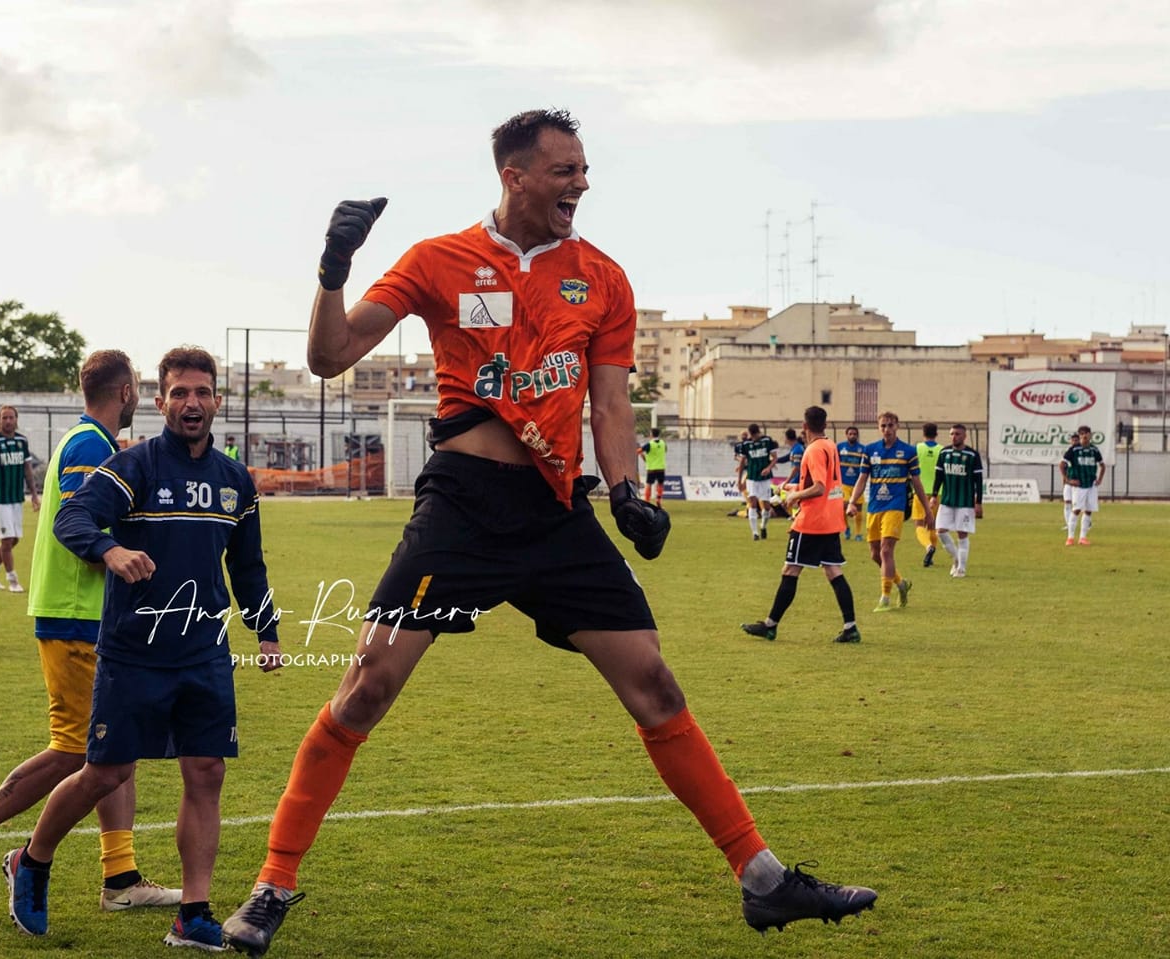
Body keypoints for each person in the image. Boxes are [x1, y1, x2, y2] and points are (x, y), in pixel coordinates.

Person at [218, 108, 875, 959]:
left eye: (584, 169)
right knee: (366, 687)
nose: (582, 184)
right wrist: (333, 267)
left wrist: (630, 490)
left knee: (657, 687)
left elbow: (607, 402)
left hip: (556, 509)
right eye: (565, 170)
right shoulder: (436, 260)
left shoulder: (603, 278)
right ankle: (272, 882)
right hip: (460, 505)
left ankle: (762, 880)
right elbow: (330, 354)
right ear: (514, 176)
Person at [4, 347, 283, 951]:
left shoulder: (236, 480)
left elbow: (249, 565)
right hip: (134, 650)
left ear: (216, 400)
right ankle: (33, 858)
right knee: (105, 771)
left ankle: (193, 913)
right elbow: (71, 519)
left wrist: (266, 630)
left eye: (202, 392)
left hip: (204, 653)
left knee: (206, 772)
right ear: (159, 401)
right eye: (179, 392)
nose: (192, 403)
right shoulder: (131, 466)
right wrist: (110, 550)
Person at [0, 350, 180, 922]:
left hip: (92, 619)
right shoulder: (90, 445)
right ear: (125, 391)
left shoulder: (91, 442)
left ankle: (121, 876)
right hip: (75, 618)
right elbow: (84, 529)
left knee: (118, 749)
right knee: (75, 752)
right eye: (139, 388)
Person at [741, 407, 860, 644]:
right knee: (833, 570)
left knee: (790, 570)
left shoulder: (813, 450)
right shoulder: (831, 446)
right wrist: (792, 488)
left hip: (812, 522)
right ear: (825, 425)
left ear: (804, 427)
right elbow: (826, 483)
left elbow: (818, 487)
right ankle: (851, 627)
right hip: (831, 518)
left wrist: (795, 497)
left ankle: (770, 626)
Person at [847, 411, 929, 613]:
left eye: (890, 425)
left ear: (897, 426)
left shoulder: (908, 452)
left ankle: (885, 598)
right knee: (875, 555)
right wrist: (851, 502)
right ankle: (901, 583)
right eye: (883, 426)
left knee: (886, 550)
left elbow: (917, 483)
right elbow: (862, 479)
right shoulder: (870, 450)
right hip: (875, 507)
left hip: (895, 506)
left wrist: (928, 510)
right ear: (879, 427)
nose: (887, 429)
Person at [0, 405, 40, 592]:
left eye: (11, 417)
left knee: (14, 540)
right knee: (6, 541)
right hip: (0, 500)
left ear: (16, 419)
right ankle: (12, 580)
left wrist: (35, 494)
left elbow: (28, 470)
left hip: (16, 498)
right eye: (4, 418)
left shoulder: (22, 441)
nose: (8, 421)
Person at [931, 424, 984, 578]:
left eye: (958, 434)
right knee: (940, 531)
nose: (954, 436)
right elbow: (939, 476)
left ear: (964, 436)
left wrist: (978, 502)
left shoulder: (972, 455)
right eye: (952, 434)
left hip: (965, 502)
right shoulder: (944, 452)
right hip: (947, 500)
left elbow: (978, 480)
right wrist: (934, 495)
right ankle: (956, 558)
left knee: (962, 535)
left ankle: (961, 568)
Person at [1060, 425, 1105, 545]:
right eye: (1082, 434)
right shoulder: (1074, 450)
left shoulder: (1094, 450)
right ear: (1080, 436)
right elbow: (1062, 464)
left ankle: (1083, 538)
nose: (1084, 435)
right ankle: (1070, 538)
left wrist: (1099, 479)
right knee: (1076, 510)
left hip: (1091, 484)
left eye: (1086, 433)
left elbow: (1102, 465)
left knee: (1089, 510)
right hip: (1079, 485)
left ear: (1090, 435)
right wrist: (1068, 480)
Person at [741, 423, 778, 541]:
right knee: (752, 503)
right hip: (752, 477)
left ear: (758, 433)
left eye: (755, 435)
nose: (754, 437)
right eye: (752, 435)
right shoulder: (746, 444)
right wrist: (739, 479)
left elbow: (775, 457)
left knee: (766, 507)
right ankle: (755, 533)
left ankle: (763, 526)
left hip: (765, 478)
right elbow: (742, 461)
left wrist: (768, 468)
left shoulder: (767, 441)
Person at [912, 423, 941, 567]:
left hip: (920, 492)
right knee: (933, 525)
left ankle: (928, 546)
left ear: (923, 433)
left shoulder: (917, 449)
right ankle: (932, 553)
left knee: (919, 524)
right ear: (936, 434)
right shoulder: (942, 450)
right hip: (938, 493)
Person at [836, 425, 867, 541]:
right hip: (844, 483)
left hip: (857, 484)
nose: (852, 436)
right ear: (846, 435)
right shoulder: (839, 447)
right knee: (843, 505)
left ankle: (858, 533)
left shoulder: (862, 449)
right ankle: (846, 527)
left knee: (858, 508)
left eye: (854, 434)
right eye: (850, 434)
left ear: (857, 435)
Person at [639, 426, 667, 506]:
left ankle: (647, 501)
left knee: (649, 484)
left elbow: (639, 451)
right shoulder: (663, 443)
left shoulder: (649, 444)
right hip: (661, 467)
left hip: (651, 468)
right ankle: (658, 499)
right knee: (660, 484)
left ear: (651, 434)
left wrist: (644, 457)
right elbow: (665, 450)